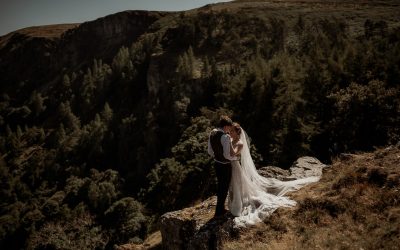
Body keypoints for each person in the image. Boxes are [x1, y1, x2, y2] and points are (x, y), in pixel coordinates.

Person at [227, 122, 320, 227]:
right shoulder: (230, 140)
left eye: (232, 131)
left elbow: (232, 154)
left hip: (235, 167)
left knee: (236, 186)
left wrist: (228, 143)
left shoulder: (239, 143)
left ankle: (237, 205)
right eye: (229, 131)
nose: (230, 133)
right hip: (229, 166)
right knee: (232, 186)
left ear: (237, 132)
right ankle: (233, 203)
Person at [207, 115, 236, 217]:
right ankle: (220, 210)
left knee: (220, 186)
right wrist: (235, 158)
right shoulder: (226, 137)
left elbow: (210, 151)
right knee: (224, 187)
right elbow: (227, 155)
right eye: (229, 127)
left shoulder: (212, 133)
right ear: (226, 126)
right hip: (225, 165)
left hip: (217, 164)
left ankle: (219, 209)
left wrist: (217, 156)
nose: (230, 129)